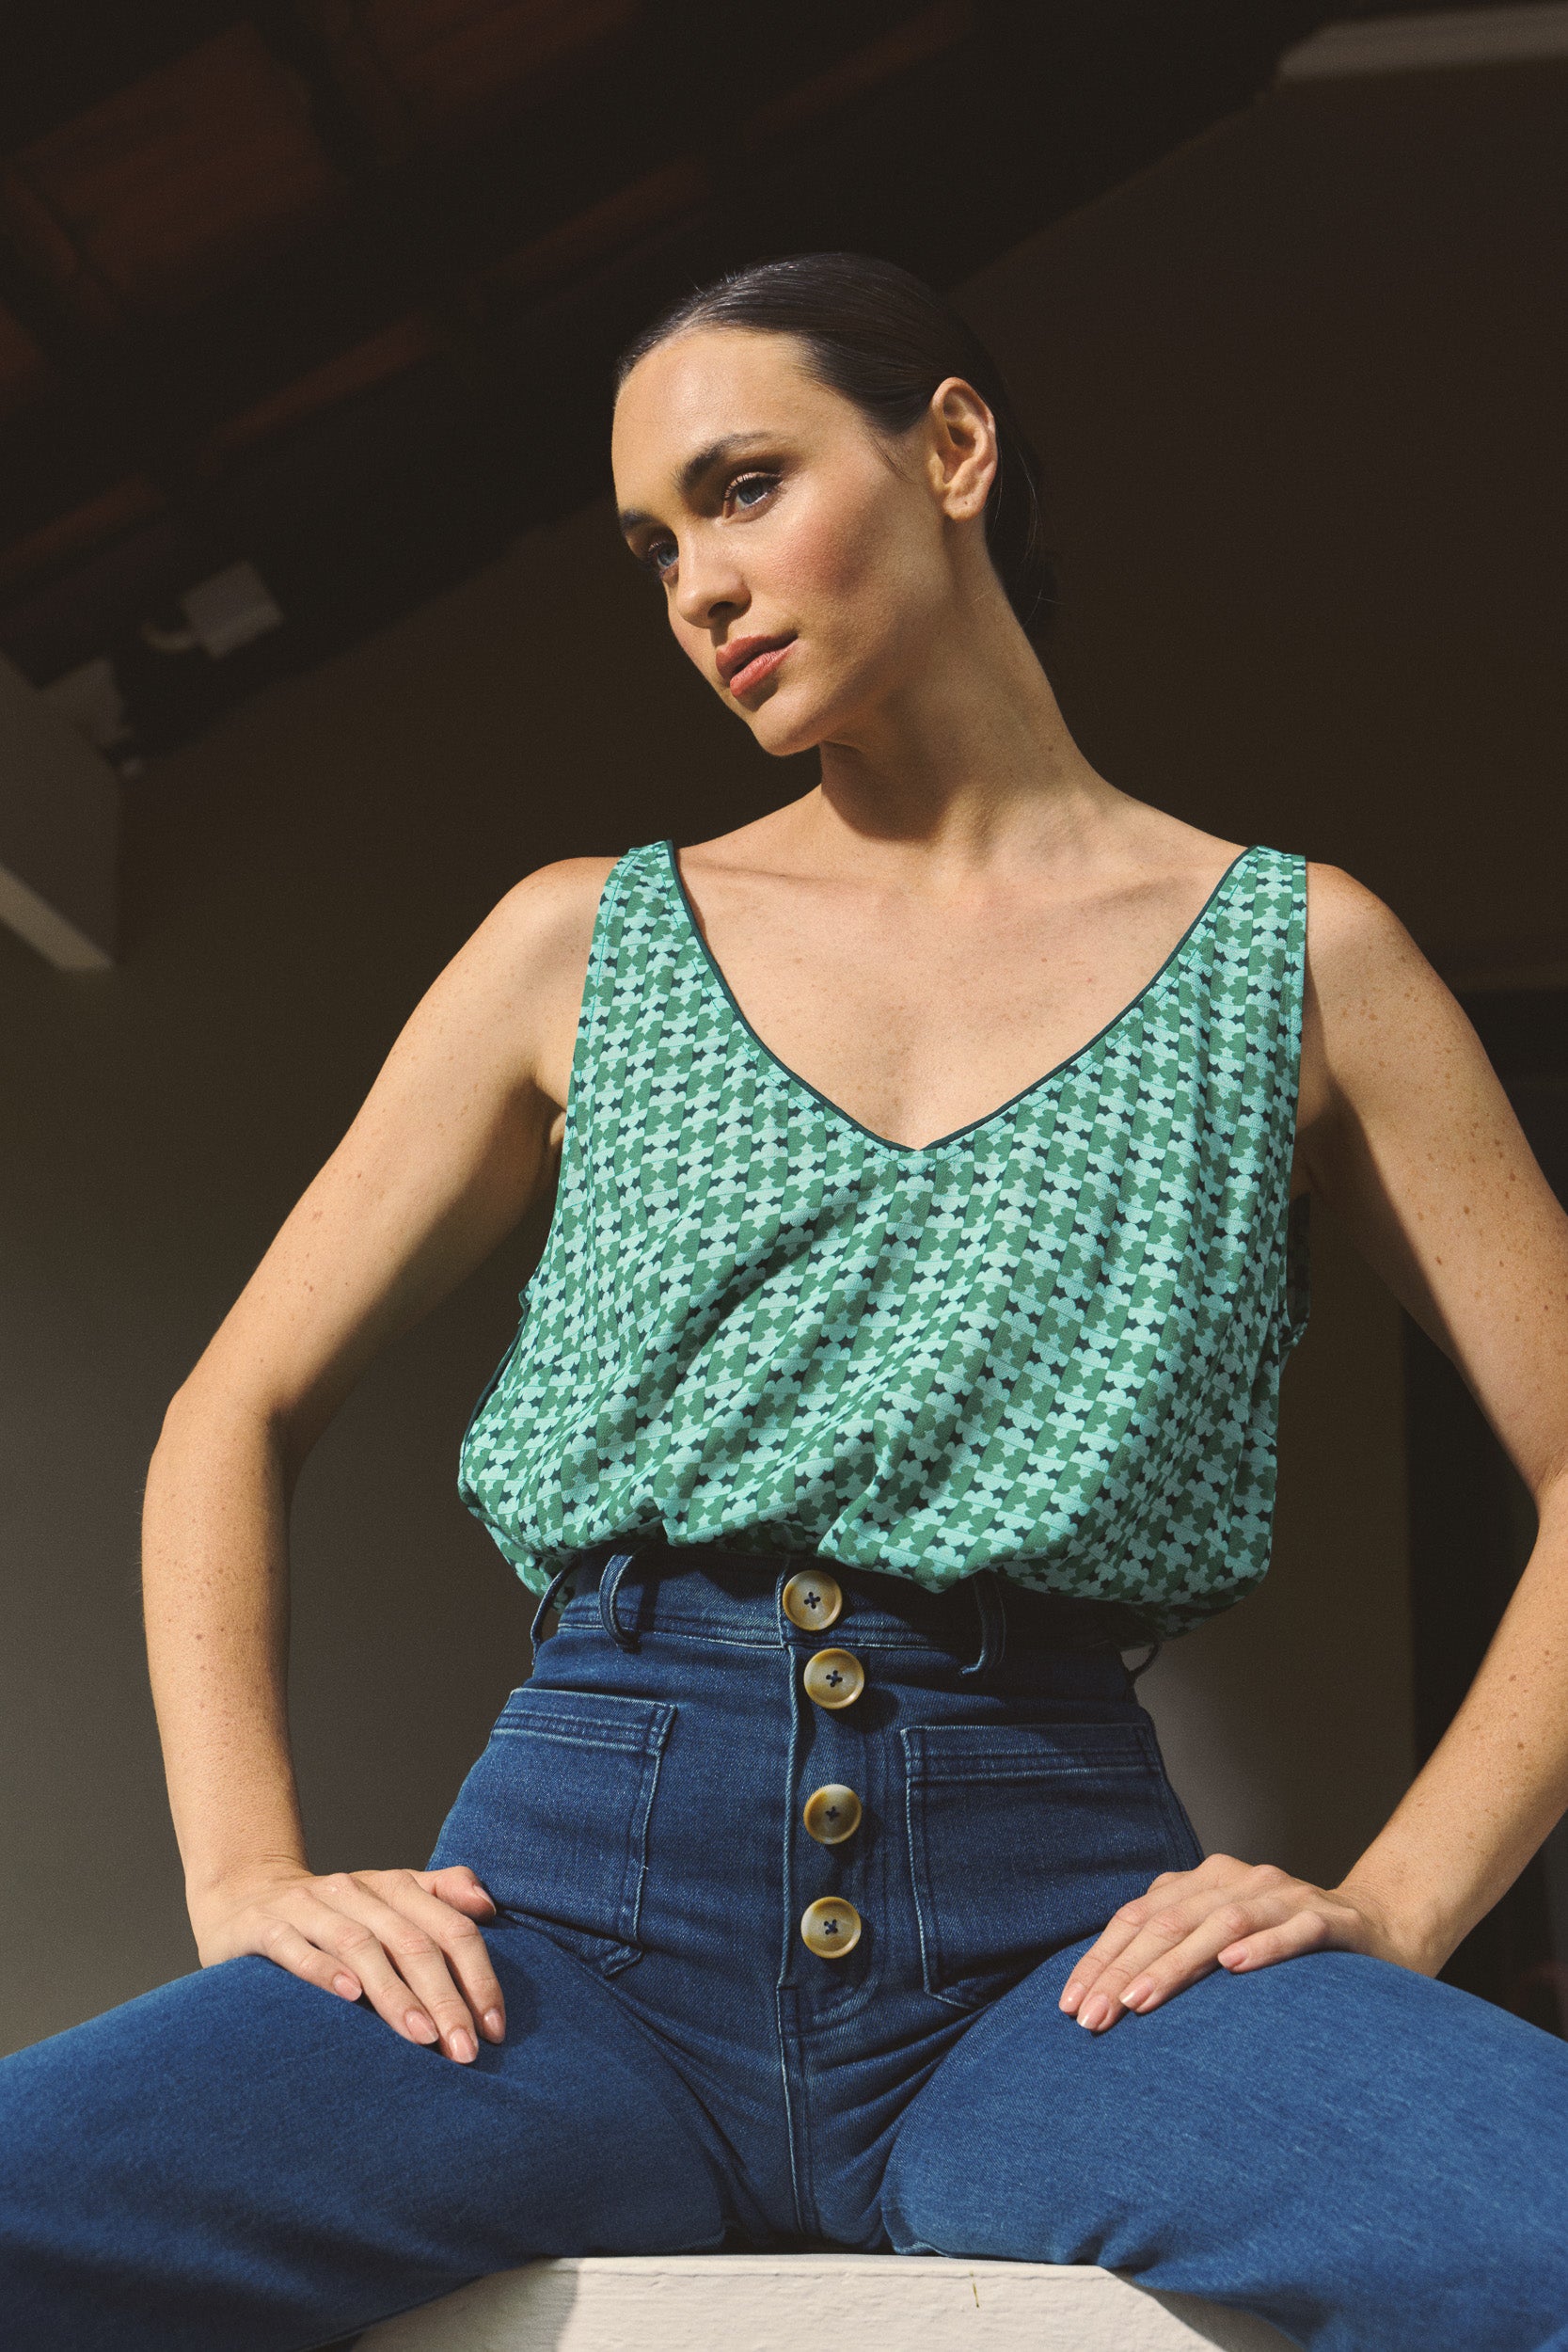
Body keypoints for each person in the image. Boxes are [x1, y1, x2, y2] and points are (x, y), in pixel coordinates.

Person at [3, 249, 1567, 2352]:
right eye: (655, 544)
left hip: (1060, 1961)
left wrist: (1395, 1900)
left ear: (950, 445)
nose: (697, 587)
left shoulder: (1305, 963)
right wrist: (247, 1883)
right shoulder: (580, 945)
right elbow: (234, 1407)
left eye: (742, 488)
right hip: (554, 1945)